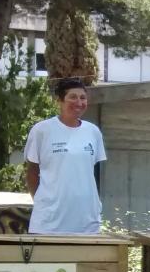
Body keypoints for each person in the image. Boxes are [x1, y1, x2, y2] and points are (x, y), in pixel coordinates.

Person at [23, 77, 107, 235]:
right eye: (73, 97)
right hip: (49, 222)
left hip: (86, 222)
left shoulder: (93, 132)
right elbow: (32, 173)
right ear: (60, 101)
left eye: (83, 98)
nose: (79, 102)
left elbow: (90, 174)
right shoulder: (42, 130)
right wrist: (44, 202)